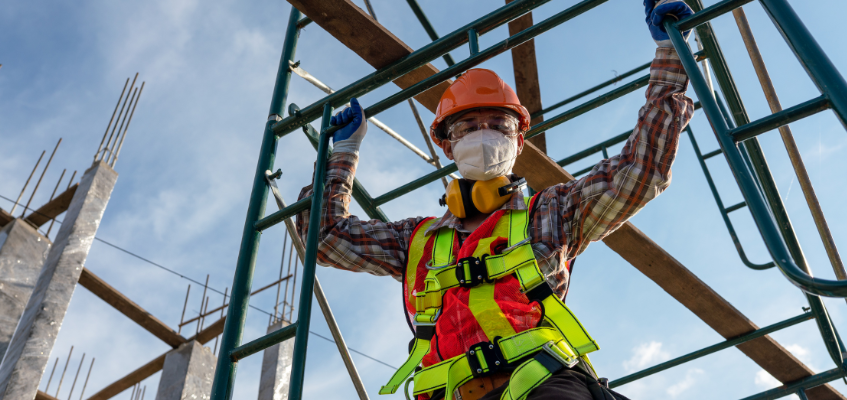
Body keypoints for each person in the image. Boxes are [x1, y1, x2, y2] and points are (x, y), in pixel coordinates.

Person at [296, 1, 695, 399]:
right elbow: (327, 238)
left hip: (544, 384)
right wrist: (342, 155)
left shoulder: (553, 213)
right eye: (468, 126)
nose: (483, 134)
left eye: (497, 125)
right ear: (448, 146)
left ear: (519, 142)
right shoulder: (416, 241)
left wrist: (670, 58)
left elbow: (639, 172)